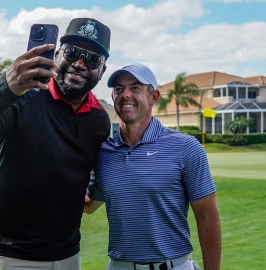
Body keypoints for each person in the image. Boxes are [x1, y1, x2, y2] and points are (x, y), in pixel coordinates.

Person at [0, 18, 111, 270]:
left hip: (67, 254)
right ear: (58, 53)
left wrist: (90, 196)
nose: (79, 64)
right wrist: (8, 85)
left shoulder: (98, 119)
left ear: (102, 71)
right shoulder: (21, 96)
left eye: (92, 59)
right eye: (72, 52)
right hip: (10, 254)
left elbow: (99, 167)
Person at [85, 63, 222, 270]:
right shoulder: (104, 152)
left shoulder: (185, 147)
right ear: (113, 98)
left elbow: (207, 217)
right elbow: (89, 205)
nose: (126, 95)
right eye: (119, 89)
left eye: (136, 88)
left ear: (154, 97)